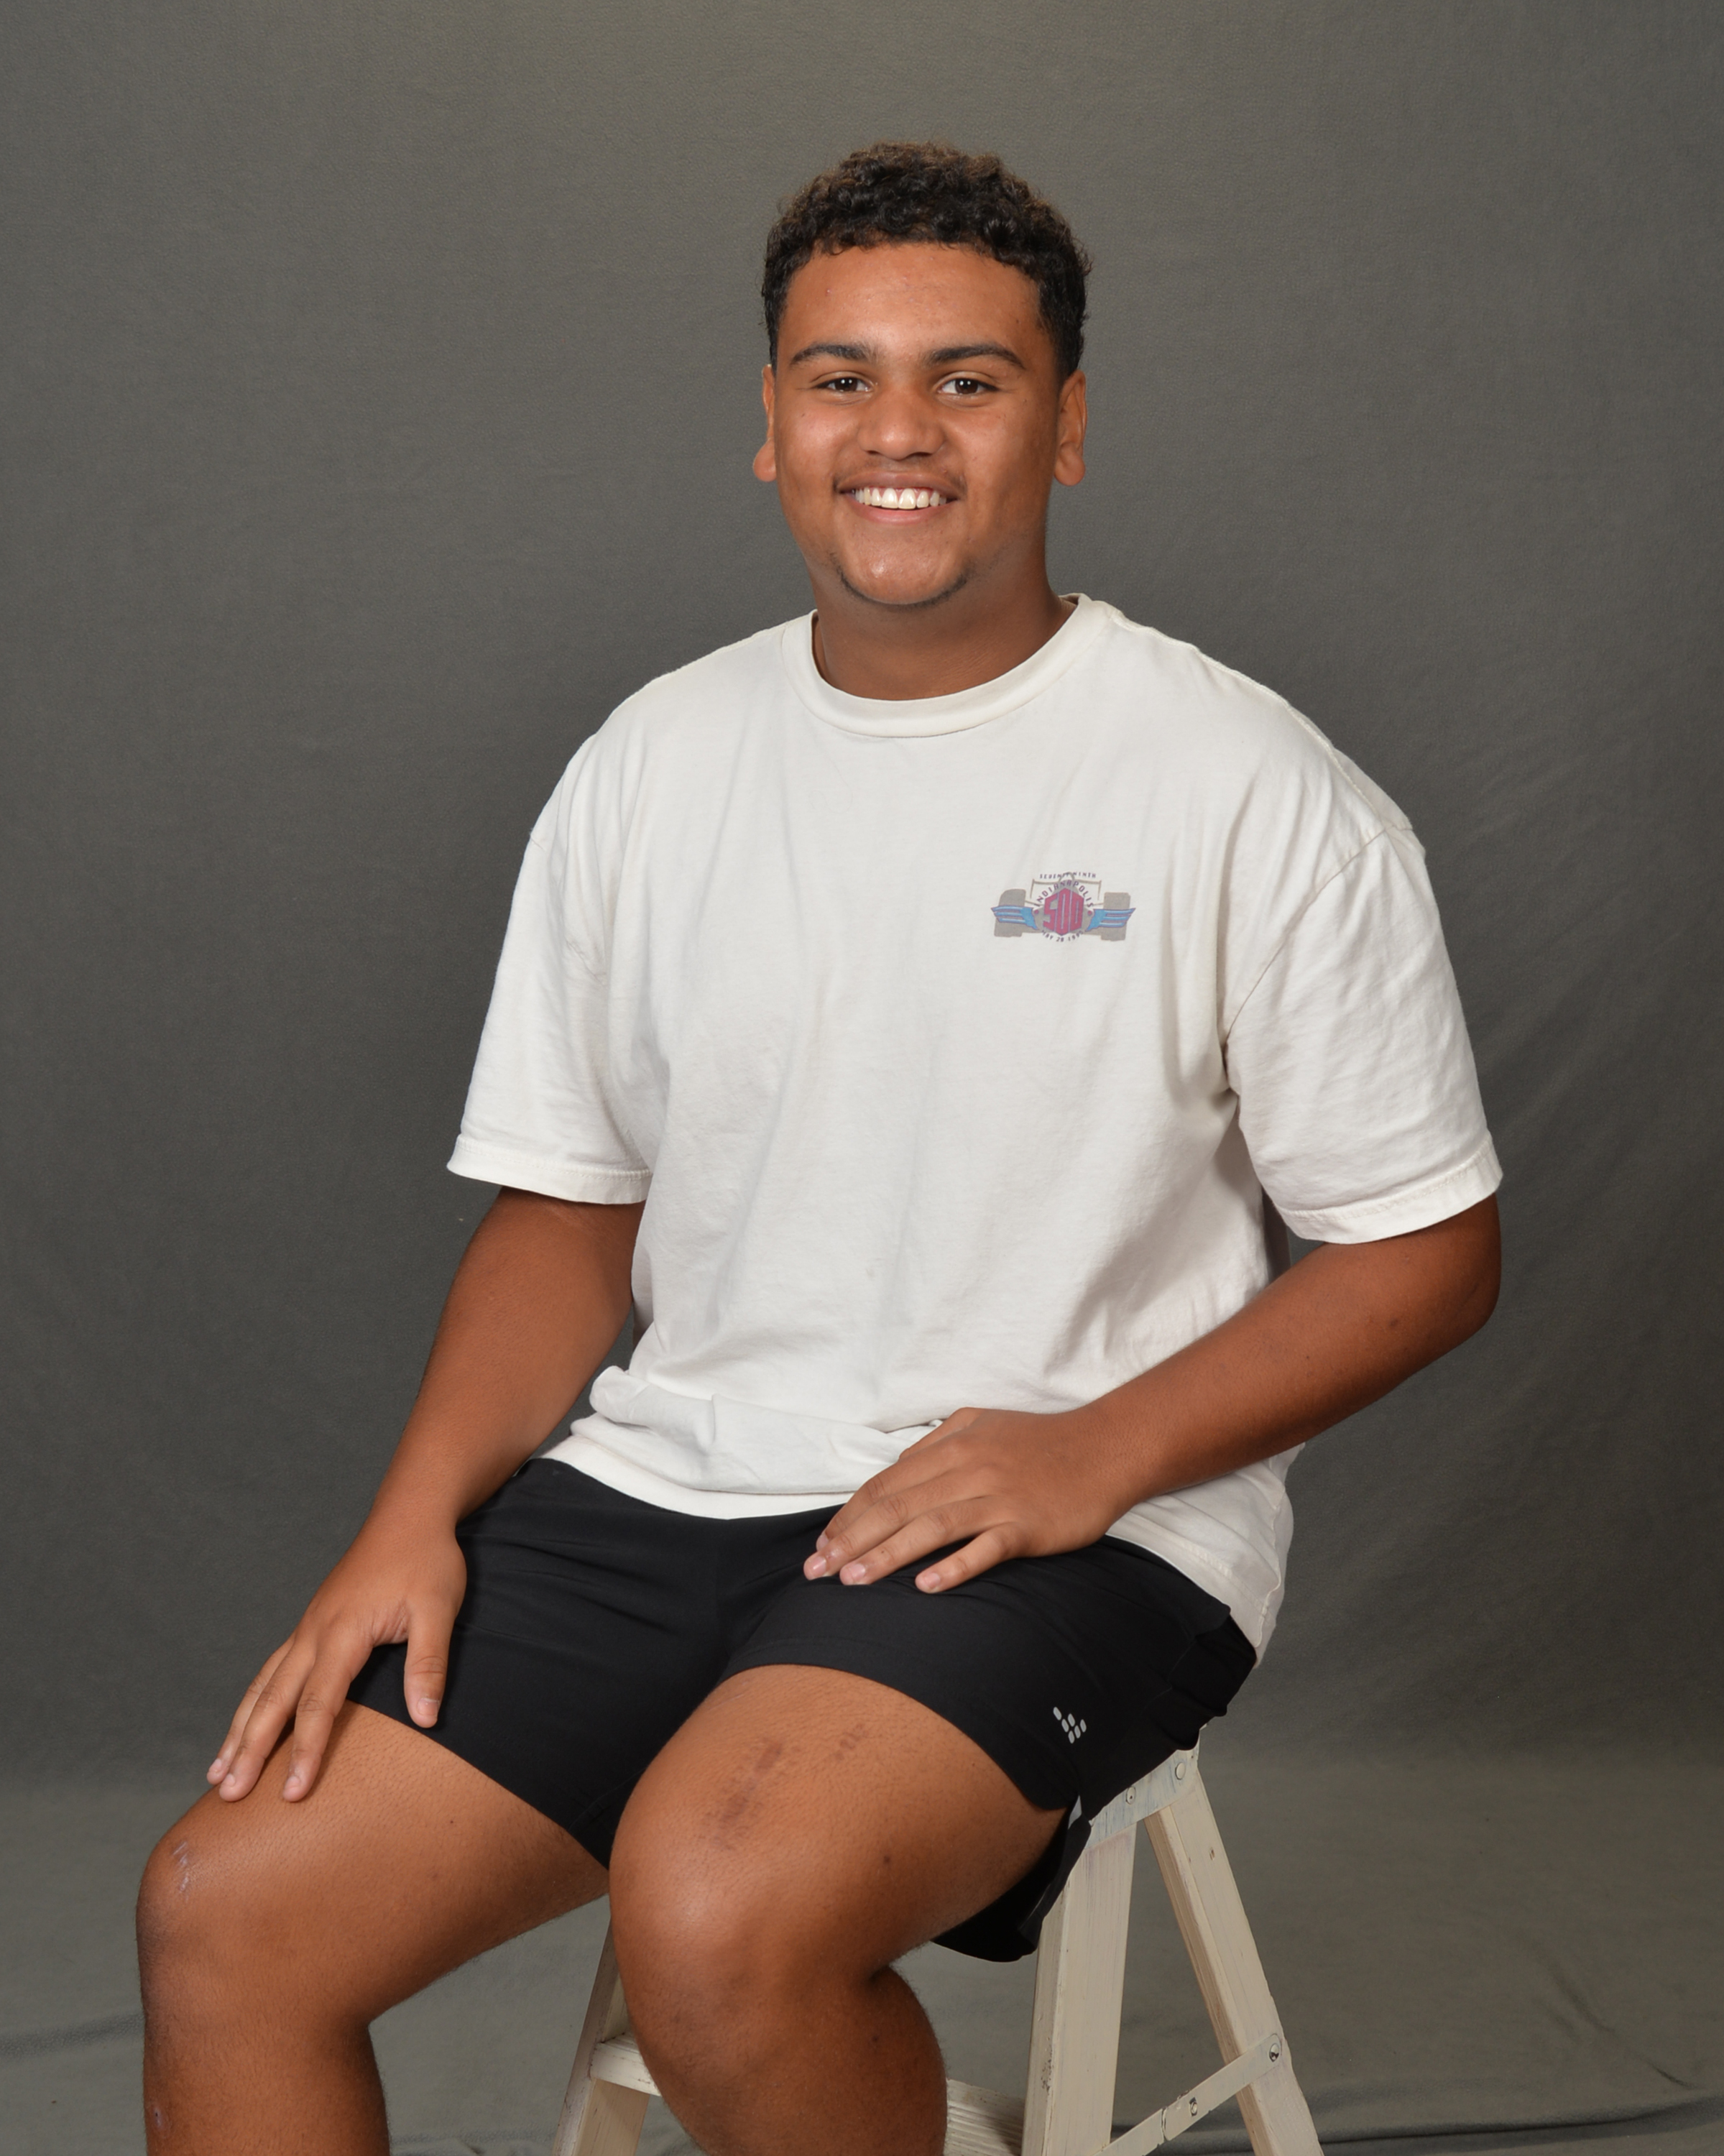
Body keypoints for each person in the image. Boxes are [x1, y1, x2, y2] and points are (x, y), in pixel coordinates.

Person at [137, 142, 1501, 2156]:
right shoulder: (653, 763)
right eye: (839, 376)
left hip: (1072, 1523)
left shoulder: (1246, 787)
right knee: (227, 1910)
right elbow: (571, 1214)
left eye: (970, 379)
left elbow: (1426, 1249)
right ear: (771, 424)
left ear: (1068, 424)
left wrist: (1091, 1452)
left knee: (718, 1911)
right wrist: (410, 1518)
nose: (898, 432)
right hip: (671, 1481)